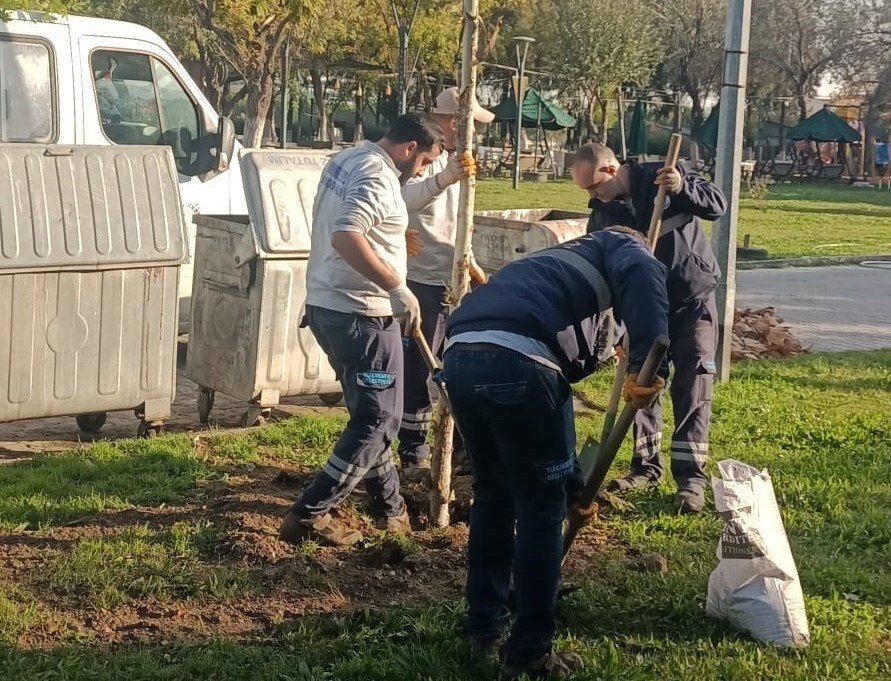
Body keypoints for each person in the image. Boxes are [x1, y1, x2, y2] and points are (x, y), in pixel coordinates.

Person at [442, 227, 669, 679]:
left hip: (459, 357)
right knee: (539, 512)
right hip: (520, 361)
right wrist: (648, 358)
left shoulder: (548, 265)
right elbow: (644, 271)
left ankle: (484, 632)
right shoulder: (623, 246)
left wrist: (573, 489)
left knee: (494, 496)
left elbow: (563, 375)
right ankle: (529, 651)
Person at [279, 113, 444, 547]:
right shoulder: (377, 176)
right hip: (363, 317)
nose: (423, 172)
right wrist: (397, 286)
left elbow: (363, 222)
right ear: (409, 149)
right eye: (425, 162)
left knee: (368, 413)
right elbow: (346, 234)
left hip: (326, 307)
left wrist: (390, 239)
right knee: (379, 418)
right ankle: (310, 514)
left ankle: (389, 507)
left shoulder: (348, 159)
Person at [570, 142, 727, 513]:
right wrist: (625, 325)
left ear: (610, 170)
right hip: (644, 312)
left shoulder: (665, 174)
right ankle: (645, 467)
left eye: (593, 187)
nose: (593, 197)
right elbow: (608, 273)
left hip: (691, 301)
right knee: (643, 385)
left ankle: (691, 479)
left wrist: (681, 188)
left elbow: (716, 205)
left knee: (693, 385)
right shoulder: (603, 215)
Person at [397, 86, 493, 482]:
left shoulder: (461, 160)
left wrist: (468, 259)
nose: (479, 133)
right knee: (419, 366)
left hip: (456, 278)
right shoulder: (427, 157)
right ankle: (414, 450)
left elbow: (460, 216)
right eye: (473, 123)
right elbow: (401, 198)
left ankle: (462, 450)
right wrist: (444, 179)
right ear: (454, 121)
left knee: (464, 364)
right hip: (423, 277)